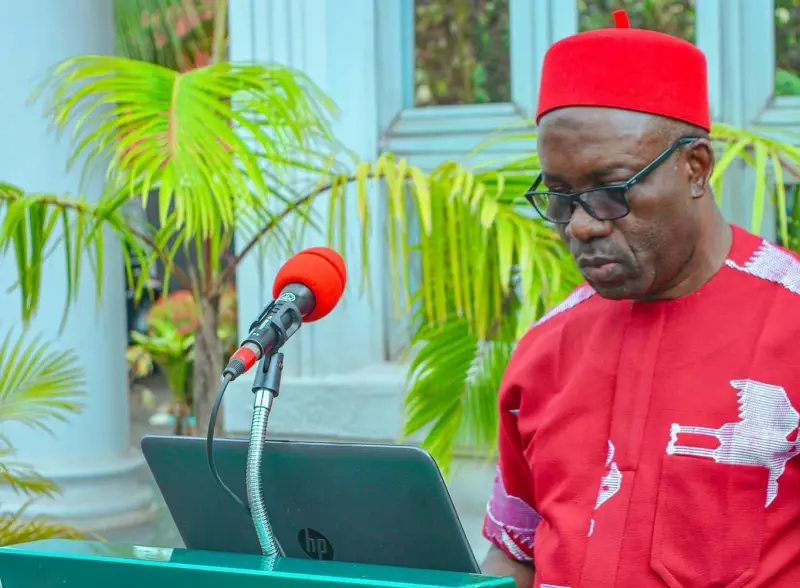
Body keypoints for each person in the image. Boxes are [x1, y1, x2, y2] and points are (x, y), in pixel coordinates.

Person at [480, 9, 800, 588]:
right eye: (560, 196)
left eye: (610, 190)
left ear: (695, 167)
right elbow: (515, 553)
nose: (581, 225)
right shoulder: (544, 350)